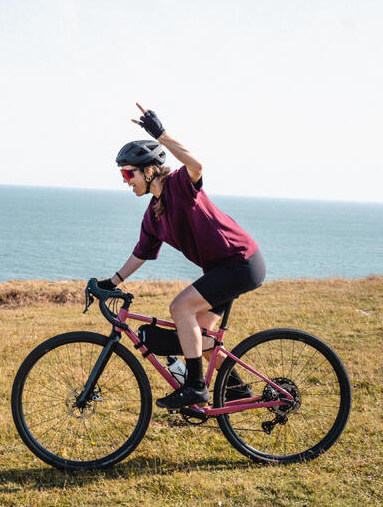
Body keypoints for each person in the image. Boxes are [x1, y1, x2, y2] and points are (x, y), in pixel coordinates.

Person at [98, 104, 266, 409]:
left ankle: (195, 387)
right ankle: (238, 391)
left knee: (180, 306)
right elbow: (141, 254)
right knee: (196, 336)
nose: (126, 181)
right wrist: (111, 281)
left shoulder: (180, 185)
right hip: (221, 270)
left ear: (149, 171)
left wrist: (161, 135)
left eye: (128, 173)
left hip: (241, 262)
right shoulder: (153, 215)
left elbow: (196, 165)